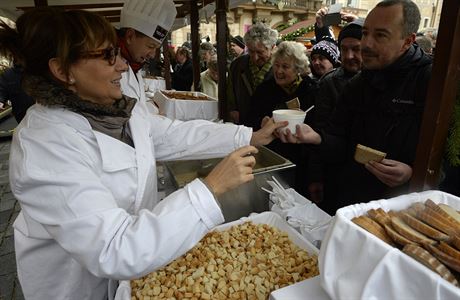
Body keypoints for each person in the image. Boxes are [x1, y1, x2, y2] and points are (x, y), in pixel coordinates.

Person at [0, 8, 286, 300]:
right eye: (108, 56)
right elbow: (113, 247)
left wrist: (248, 135)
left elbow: (173, 134)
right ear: (62, 70)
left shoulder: (117, 108)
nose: (122, 66)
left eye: (118, 53)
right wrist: (209, 190)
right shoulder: (45, 143)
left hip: (136, 268)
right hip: (78, 287)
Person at [280, 0, 432, 215]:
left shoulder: (431, 83)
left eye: (380, 35)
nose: (367, 44)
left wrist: (413, 173)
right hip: (352, 202)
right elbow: (340, 142)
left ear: (407, 41)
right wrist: (316, 138)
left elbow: (446, 158)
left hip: (403, 211)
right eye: (366, 33)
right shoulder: (357, 84)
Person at [246, 41, 318, 197]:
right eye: (276, 65)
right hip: (271, 159)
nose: (278, 71)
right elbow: (249, 118)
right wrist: (262, 121)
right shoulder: (265, 89)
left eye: (285, 67)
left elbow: (318, 128)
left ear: (299, 69)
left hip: (301, 163)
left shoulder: (312, 91)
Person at [308, 19, 364, 203]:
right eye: (344, 49)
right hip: (335, 170)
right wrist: (316, 176)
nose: (349, 56)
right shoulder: (329, 82)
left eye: (356, 49)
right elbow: (319, 131)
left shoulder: (381, 80)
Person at [117, 0, 174, 113]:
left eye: (156, 48)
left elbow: (139, 114)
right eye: (150, 46)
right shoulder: (109, 70)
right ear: (130, 36)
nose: (152, 55)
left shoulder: (135, 66)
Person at [226, 23, 278, 124]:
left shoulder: (281, 67)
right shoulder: (237, 65)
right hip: (243, 123)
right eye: (251, 51)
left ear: (272, 47)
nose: (255, 57)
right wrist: (232, 109)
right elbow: (230, 92)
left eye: (260, 52)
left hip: (270, 124)